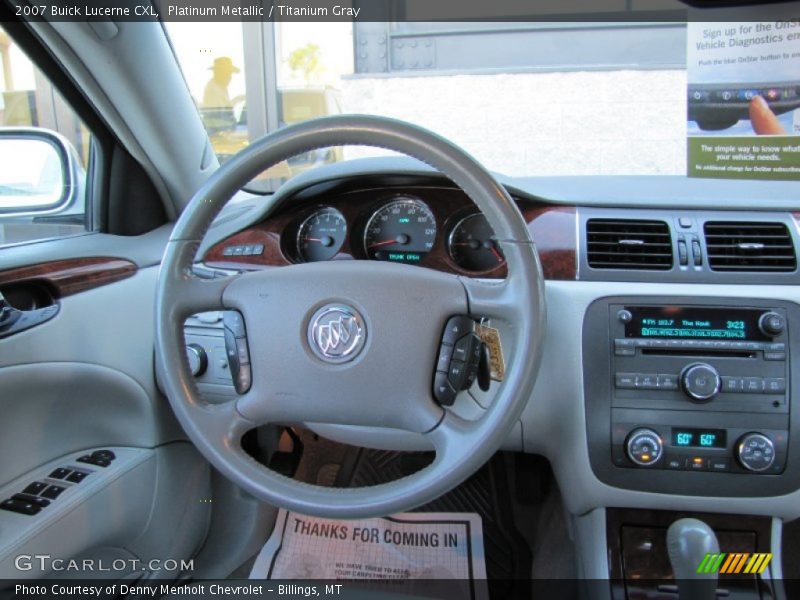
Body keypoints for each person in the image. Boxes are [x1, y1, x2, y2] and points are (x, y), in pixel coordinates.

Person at [201, 57, 245, 133]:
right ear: (220, 73)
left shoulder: (220, 86)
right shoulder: (213, 90)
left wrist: (237, 99)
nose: (230, 77)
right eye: (228, 73)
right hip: (219, 135)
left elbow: (224, 108)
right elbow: (218, 119)